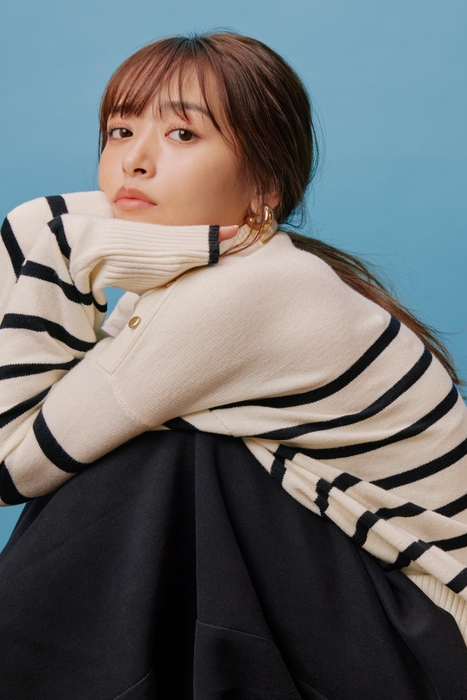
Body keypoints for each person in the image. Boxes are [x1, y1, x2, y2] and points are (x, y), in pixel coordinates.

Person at [1, 32, 467, 699]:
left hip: (424, 638)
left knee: (156, 457)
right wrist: (33, 232)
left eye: (182, 135)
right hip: (368, 612)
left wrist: (44, 238)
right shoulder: (213, 278)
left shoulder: (242, 293)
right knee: (158, 449)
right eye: (120, 131)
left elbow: (11, 464)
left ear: (264, 184)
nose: (134, 161)